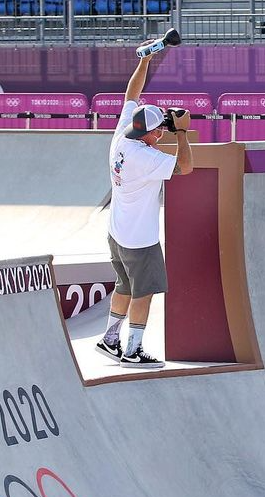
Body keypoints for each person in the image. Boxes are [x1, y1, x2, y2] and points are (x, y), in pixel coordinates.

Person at [95, 42, 193, 368]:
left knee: (123, 285)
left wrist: (146, 60)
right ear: (149, 134)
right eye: (160, 130)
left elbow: (131, 95)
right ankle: (133, 350)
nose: (162, 133)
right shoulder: (146, 158)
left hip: (116, 233)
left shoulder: (123, 134)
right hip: (140, 241)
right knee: (143, 293)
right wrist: (182, 133)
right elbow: (185, 167)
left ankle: (110, 340)